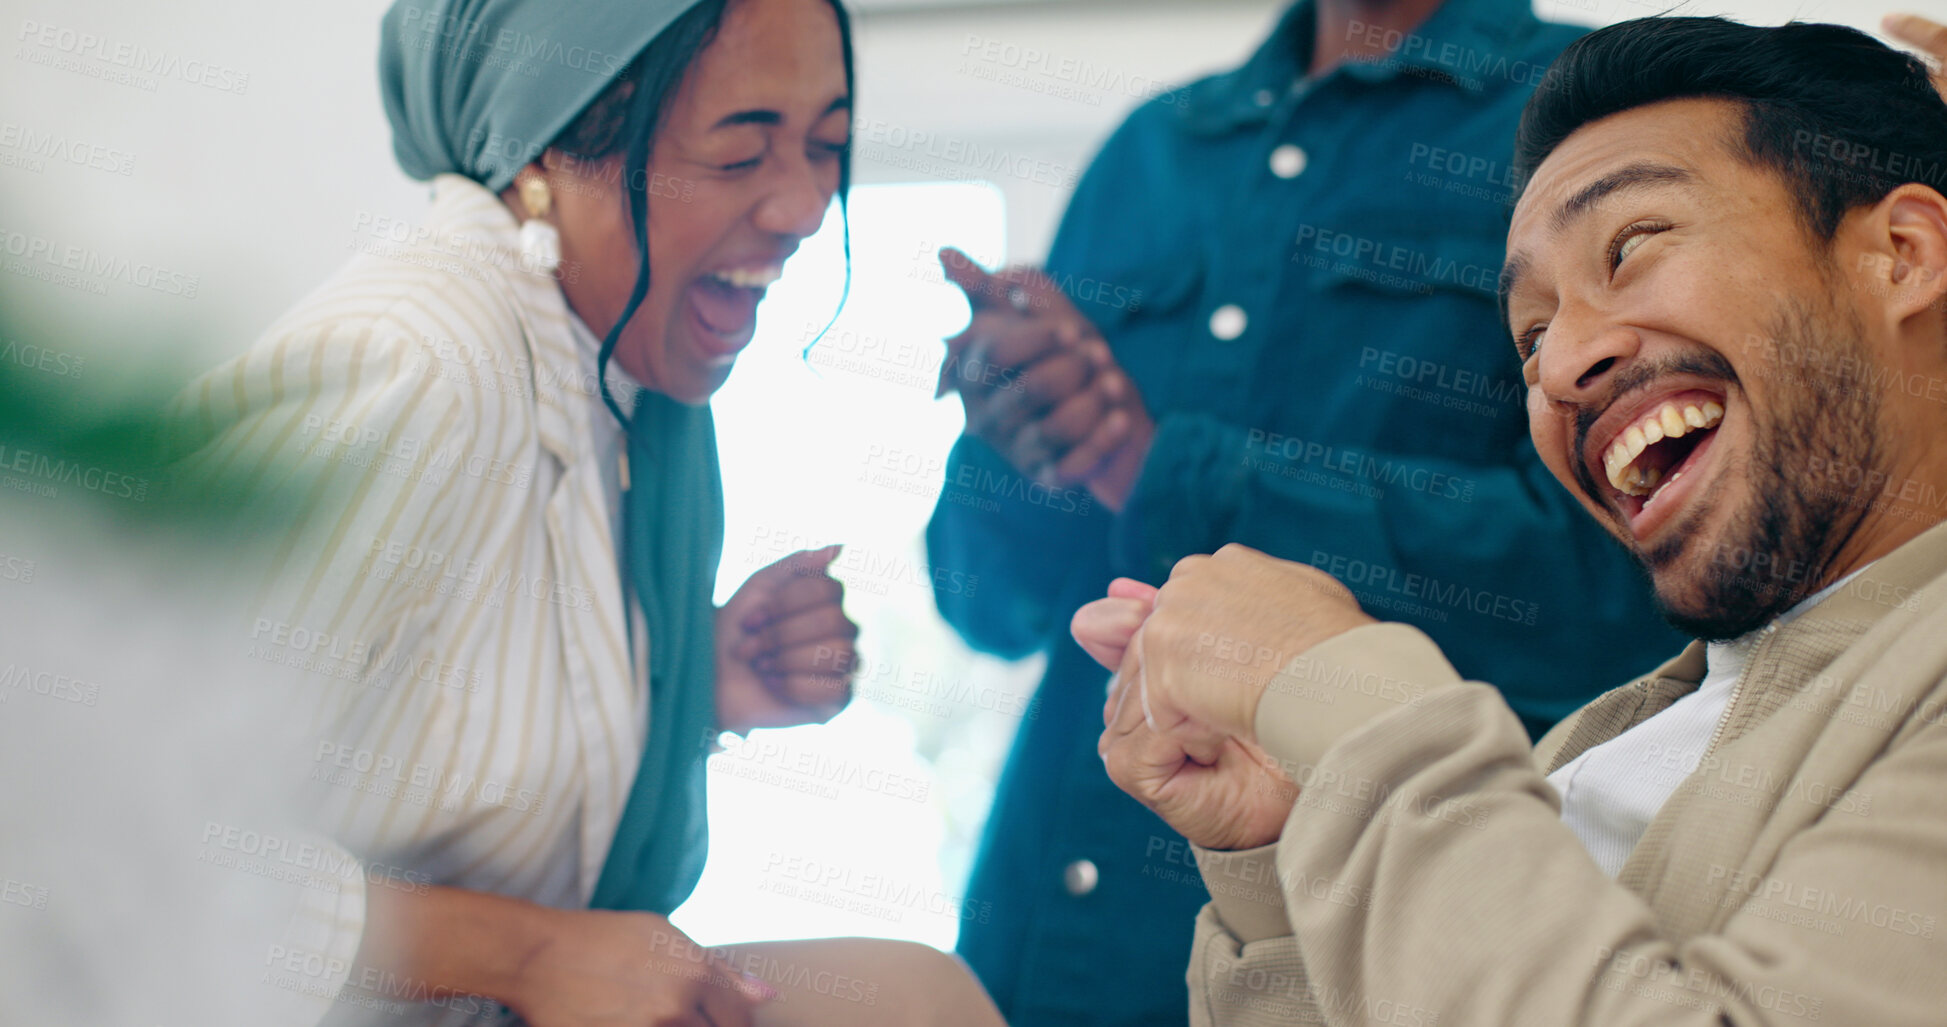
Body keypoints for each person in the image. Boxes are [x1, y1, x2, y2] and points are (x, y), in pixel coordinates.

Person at [1077, 16, 1947, 1025]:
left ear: (1903, 253)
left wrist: (1358, 708)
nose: (1561, 366)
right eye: (1530, 333)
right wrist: (1276, 860)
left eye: (1633, 246)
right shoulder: (1596, 743)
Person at [171, 0, 1001, 1023]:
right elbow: (94, 819)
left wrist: (687, 681)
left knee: (912, 999)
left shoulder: (619, 386)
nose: (802, 206)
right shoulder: (422, 364)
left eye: (827, 146)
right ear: (552, 147)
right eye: (741, 155)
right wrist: (529, 956)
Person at [924, 0, 1685, 1020]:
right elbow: (987, 603)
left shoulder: (1595, 118)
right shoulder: (1155, 148)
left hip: (1356, 959)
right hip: (1036, 939)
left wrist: (1158, 468)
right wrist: (1014, 424)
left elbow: (1609, 592)